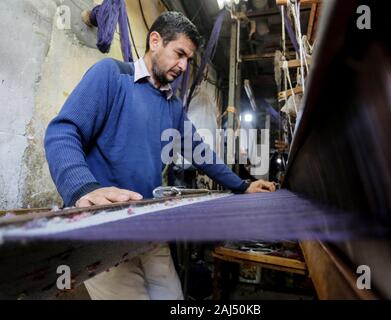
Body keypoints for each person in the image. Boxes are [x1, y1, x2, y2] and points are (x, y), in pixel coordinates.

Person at [44, 11, 276, 300]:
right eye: (179, 54)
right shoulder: (111, 76)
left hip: (150, 226)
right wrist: (82, 188)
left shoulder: (172, 106)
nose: (183, 66)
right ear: (155, 41)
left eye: (188, 59)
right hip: (104, 228)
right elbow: (62, 132)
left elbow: (202, 152)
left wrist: (242, 186)